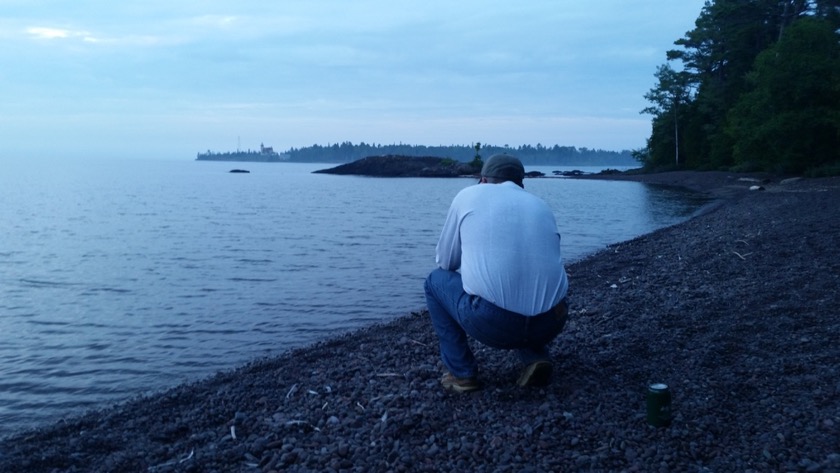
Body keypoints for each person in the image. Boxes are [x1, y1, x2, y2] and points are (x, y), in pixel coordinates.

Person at [424, 154, 569, 392]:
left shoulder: (468, 195)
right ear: (521, 183)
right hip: (552, 321)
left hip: (494, 324)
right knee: (529, 279)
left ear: (482, 180)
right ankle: (535, 356)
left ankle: (462, 373)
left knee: (434, 282)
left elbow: (445, 262)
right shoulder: (540, 205)